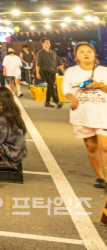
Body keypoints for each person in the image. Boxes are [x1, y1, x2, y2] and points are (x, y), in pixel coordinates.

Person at [62, 41, 107, 188]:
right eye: (81, 52)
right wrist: (72, 98)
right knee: (91, 146)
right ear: (76, 56)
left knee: (105, 146)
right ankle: (101, 177)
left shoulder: (103, 71)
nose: (86, 53)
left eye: (89, 51)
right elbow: (66, 89)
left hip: (103, 114)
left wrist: (100, 85)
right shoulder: (71, 72)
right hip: (82, 115)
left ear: (95, 55)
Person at [0, 86, 27, 168]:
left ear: (0, 98)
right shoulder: (10, 109)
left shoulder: (5, 115)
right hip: (17, 147)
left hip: (11, 150)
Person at [36, 38, 63, 108]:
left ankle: (47, 102)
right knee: (51, 84)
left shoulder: (53, 52)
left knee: (50, 87)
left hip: (53, 71)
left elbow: (59, 63)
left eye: (49, 43)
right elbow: (38, 64)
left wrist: (63, 71)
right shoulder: (40, 53)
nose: (48, 44)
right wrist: (37, 73)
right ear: (42, 44)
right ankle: (57, 101)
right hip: (45, 71)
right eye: (46, 43)